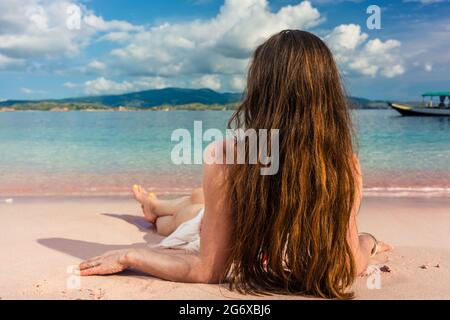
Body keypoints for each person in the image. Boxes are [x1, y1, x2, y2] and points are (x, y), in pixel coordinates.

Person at [79, 30, 393, 299]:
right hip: (208, 225)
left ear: (260, 91)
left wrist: (131, 254)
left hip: (213, 218)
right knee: (181, 216)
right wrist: (371, 241)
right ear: (328, 95)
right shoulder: (343, 164)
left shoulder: (229, 157)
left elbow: (207, 269)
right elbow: (351, 262)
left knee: (189, 208)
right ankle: (154, 205)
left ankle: (154, 206)